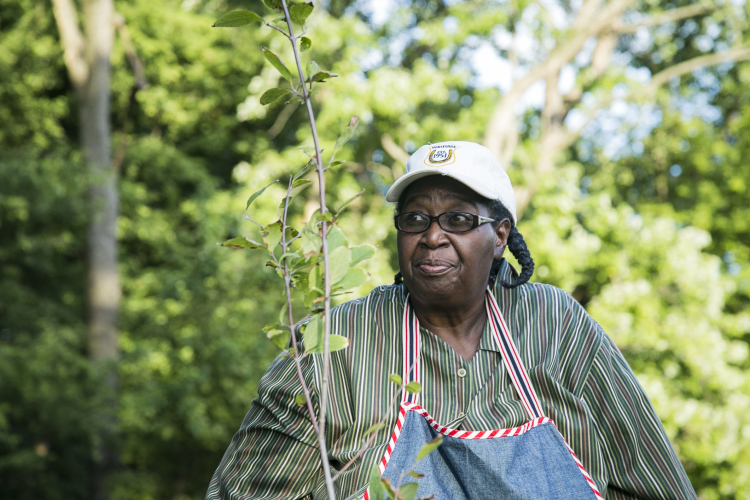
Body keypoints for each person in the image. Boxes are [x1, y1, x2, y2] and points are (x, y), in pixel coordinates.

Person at [206, 141, 697, 499]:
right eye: (415, 218)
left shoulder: (557, 325)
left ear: (501, 235)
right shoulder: (337, 343)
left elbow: (655, 481)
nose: (433, 236)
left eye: (459, 219)